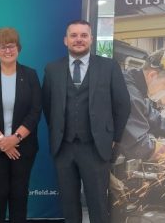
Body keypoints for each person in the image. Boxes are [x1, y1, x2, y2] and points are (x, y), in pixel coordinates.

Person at [42, 20, 130, 223]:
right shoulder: (52, 69)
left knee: (98, 204)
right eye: (74, 35)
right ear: (66, 40)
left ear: (91, 39)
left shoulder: (109, 67)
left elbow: (122, 105)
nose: (78, 39)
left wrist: (114, 137)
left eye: (83, 35)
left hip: (96, 148)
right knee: (69, 205)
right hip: (63, 148)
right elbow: (48, 105)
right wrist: (59, 131)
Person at [0, 28, 41, 223]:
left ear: (18, 48)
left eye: (11, 46)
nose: (7, 50)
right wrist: (3, 141)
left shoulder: (30, 75)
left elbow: (35, 111)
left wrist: (15, 139)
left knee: (19, 194)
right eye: (3, 47)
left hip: (23, 147)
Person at [120, 49, 165, 161]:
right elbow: (139, 147)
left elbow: (154, 119)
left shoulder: (137, 88)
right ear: (152, 75)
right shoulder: (128, 92)